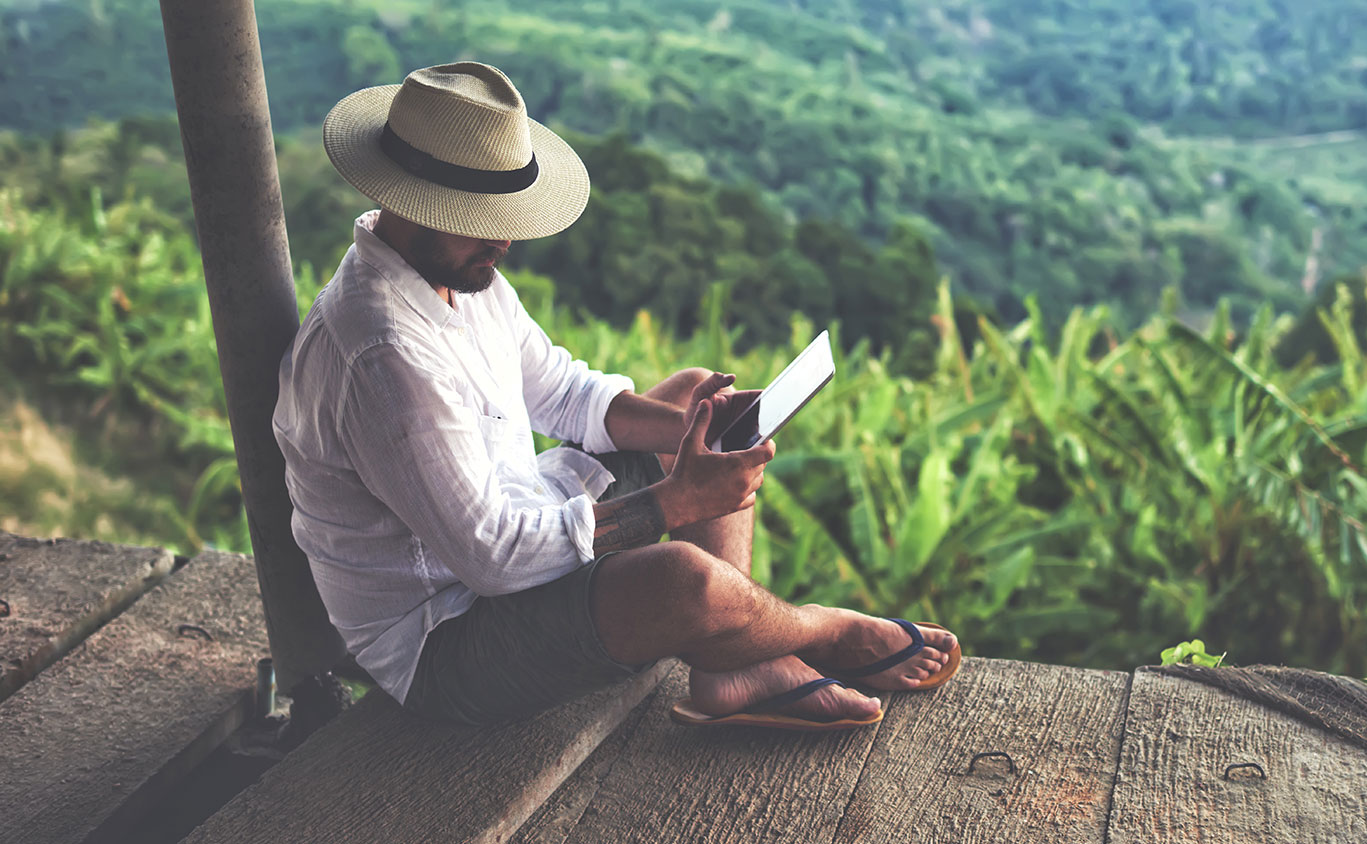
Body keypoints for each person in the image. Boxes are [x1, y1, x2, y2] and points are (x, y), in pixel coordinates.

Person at [272, 61, 959, 730]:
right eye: (479, 217)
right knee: (688, 581)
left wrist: (690, 427)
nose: (505, 239)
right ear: (409, 204)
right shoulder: (383, 358)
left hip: (519, 530)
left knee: (695, 400)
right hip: (447, 639)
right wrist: (673, 503)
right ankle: (815, 632)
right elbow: (493, 559)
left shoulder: (458, 273)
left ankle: (731, 668)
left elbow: (565, 392)